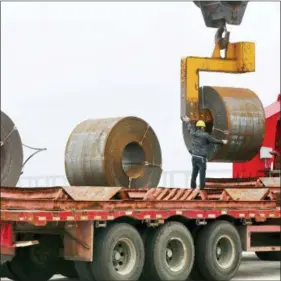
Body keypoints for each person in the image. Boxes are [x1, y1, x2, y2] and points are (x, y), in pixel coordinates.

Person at [182, 116, 228, 190]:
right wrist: (222, 141)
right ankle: (201, 188)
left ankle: (192, 186)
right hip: (201, 158)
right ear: (203, 127)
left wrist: (188, 121)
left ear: (197, 127)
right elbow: (213, 140)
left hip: (194, 156)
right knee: (202, 172)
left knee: (194, 171)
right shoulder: (206, 135)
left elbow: (190, 128)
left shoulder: (194, 133)